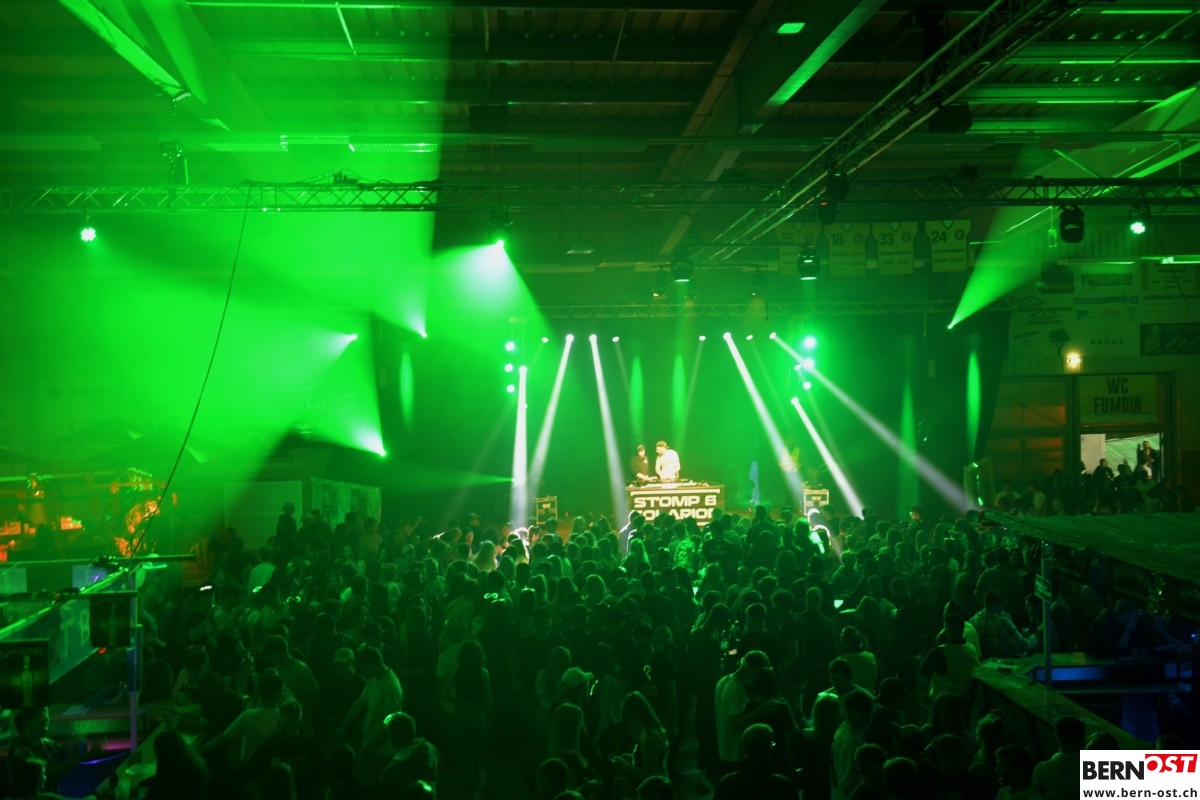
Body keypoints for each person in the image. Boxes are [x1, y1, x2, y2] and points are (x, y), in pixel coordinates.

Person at [713, 723, 800, 800]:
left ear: (744, 750)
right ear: (768, 750)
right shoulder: (785, 787)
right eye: (772, 744)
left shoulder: (727, 784)